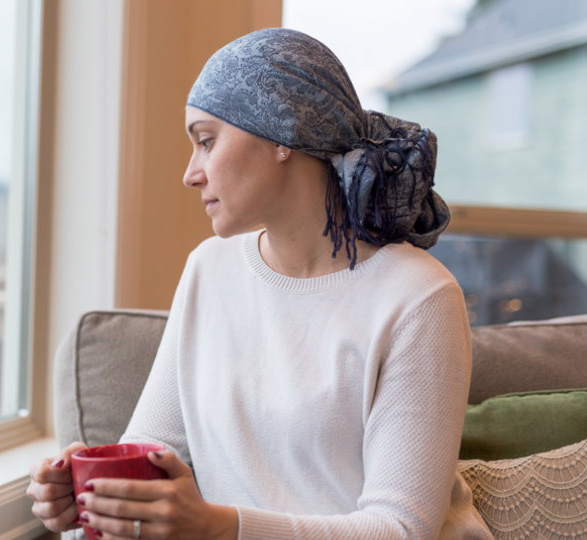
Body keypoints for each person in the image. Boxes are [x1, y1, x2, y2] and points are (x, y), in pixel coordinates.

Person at [27, 28, 493, 540]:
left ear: (282, 135)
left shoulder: (419, 297)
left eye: (205, 141)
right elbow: (154, 450)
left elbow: (401, 529)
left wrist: (219, 527)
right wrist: (97, 494)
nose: (190, 173)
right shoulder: (209, 269)